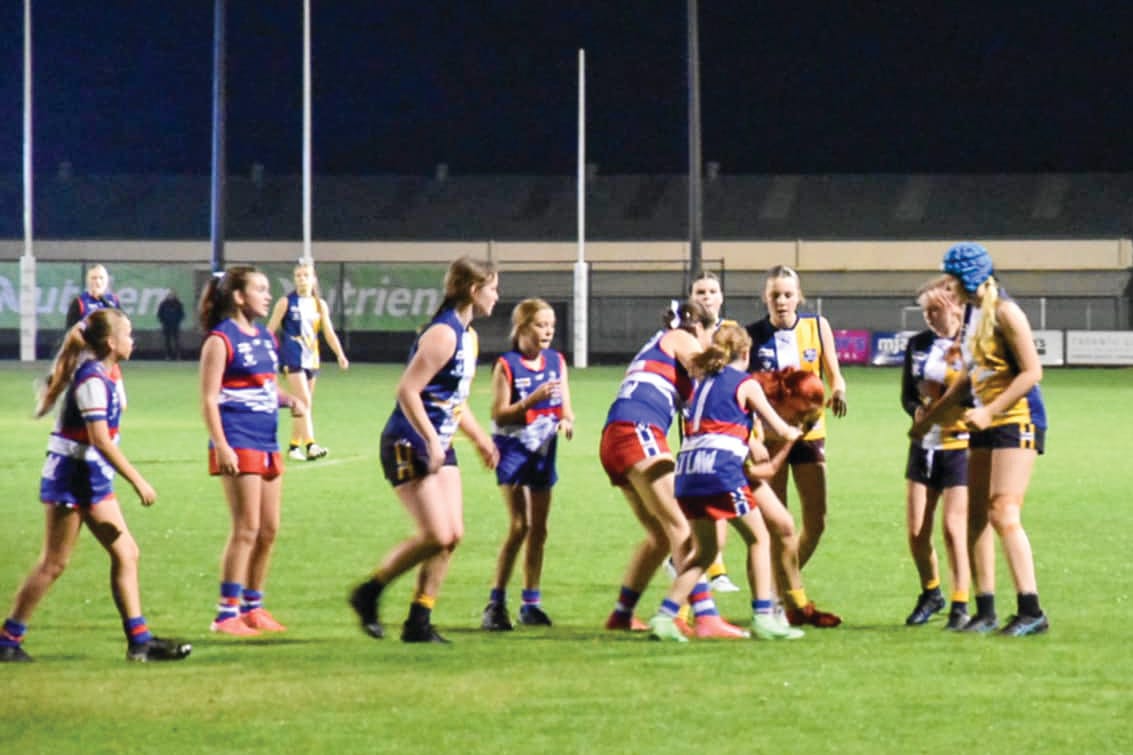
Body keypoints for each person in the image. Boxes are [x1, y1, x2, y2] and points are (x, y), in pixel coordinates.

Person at [0, 309, 191, 663]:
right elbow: (100, 440)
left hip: (89, 475)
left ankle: (140, 642)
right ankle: (7, 639)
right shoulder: (90, 379)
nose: (134, 340)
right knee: (54, 563)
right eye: (128, 334)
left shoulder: (106, 371)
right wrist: (138, 480)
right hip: (73, 476)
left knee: (125, 553)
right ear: (110, 342)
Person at [349, 256, 500, 644]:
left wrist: (481, 438)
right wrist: (432, 440)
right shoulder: (444, 334)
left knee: (453, 535)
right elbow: (407, 390)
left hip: (439, 440)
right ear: (473, 289)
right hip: (408, 440)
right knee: (437, 533)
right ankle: (369, 592)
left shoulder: (467, 336)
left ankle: (420, 619)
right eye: (493, 288)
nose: (497, 296)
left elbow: (452, 400)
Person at [652, 325, 821, 641]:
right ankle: (763, 616)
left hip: (687, 469)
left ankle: (665, 617)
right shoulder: (746, 383)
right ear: (747, 353)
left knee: (704, 552)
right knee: (759, 538)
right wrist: (796, 432)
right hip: (720, 468)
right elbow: (782, 429)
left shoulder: (701, 383)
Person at [915, 242, 1049, 637]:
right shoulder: (973, 313)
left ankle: (1031, 609)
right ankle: (985, 609)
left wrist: (990, 412)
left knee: (1003, 511)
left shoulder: (1006, 312)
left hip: (1017, 417)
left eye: (953, 278)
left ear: (970, 277)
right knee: (975, 517)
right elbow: (969, 377)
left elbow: (1032, 373)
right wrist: (932, 420)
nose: (948, 285)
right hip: (985, 420)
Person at [600, 299, 747, 639]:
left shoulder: (659, 347)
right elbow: (701, 366)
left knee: (659, 536)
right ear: (699, 327)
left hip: (619, 434)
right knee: (682, 526)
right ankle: (706, 617)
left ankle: (622, 613)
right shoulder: (680, 336)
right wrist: (733, 365)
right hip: (638, 430)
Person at [200, 266, 306, 637]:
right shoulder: (220, 339)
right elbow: (209, 399)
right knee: (246, 527)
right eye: (259, 289)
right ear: (238, 297)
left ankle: (253, 607)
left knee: (269, 529)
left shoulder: (264, 337)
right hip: (238, 439)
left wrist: (287, 398)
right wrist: (222, 446)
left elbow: (263, 388)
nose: (266, 295)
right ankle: (225, 614)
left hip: (266, 439)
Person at [746, 264, 846, 627]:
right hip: (771, 439)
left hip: (810, 433)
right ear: (765, 298)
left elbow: (833, 372)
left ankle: (779, 588)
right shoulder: (753, 336)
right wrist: (756, 434)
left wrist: (839, 389)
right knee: (778, 523)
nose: (782, 301)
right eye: (775, 295)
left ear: (799, 296)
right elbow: (747, 390)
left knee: (815, 521)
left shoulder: (817, 327)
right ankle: (782, 598)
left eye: (788, 294)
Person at [481, 299, 574, 631]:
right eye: (540, 325)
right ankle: (495, 603)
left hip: (543, 447)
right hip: (513, 447)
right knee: (519, 526)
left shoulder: (556, 361)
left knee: (539, 529)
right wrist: (532, 401)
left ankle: (530, 603)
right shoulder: (507, 365)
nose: (547, 331)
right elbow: (498, 413)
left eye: (551, 325)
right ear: (521, 327)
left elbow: (565, 406)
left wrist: (567, 421)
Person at [900, 278, 971, 630]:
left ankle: (961, 602)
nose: (928, 316)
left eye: (935, 310)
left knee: (953, 529)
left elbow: (974, 395)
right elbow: (908, 395)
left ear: (955, 309)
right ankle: (931, 592)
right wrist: (915, 409)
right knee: (916, 531)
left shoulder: (971, 344)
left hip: (959, 445)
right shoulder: (917, 345)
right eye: (925, 311)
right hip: (922, 446)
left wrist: (941, 397)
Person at [685, 270, 741, 593]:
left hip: (728, 421)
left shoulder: (732, 331)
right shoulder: (686, 332)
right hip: (696, 419)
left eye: (711, 291)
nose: (706, 296)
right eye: (700, 291)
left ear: (721, 298)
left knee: (718, 490)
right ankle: (715, 569)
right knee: (707, 490)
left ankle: (687, 559)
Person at [267, 261, 350, 461]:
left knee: (305, 404)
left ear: (313, 279)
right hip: (292, 356)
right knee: (303, 401)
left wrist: (340, 354)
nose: (302, 279)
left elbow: (328, 332)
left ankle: (294, 446)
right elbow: (269, 330)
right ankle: (311, 445)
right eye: (298, 276)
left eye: (306, 275)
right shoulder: (286, 303)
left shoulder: (319, 304)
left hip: (312, 358)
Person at [66, 264, 121, 328]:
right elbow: (70, 330)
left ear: (107, 280)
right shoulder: (79, 301)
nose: (98, 282)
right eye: (94, 278)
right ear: (87, 280)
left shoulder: (114, 300)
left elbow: (123, 322)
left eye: (101, 278)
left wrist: (102, 298)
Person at [157, 289, 186, 360]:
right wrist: (163, 321)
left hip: (175, 325)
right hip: (166, 325)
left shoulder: (178, 304)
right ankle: (168, 356)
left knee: (176, 341)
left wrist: (177, 321)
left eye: (172, 295)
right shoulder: (164, 303)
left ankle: (177, 356)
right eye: (170, 295)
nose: (171, 296)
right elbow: (160, 314)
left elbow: (181, 314)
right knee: (167, 341)